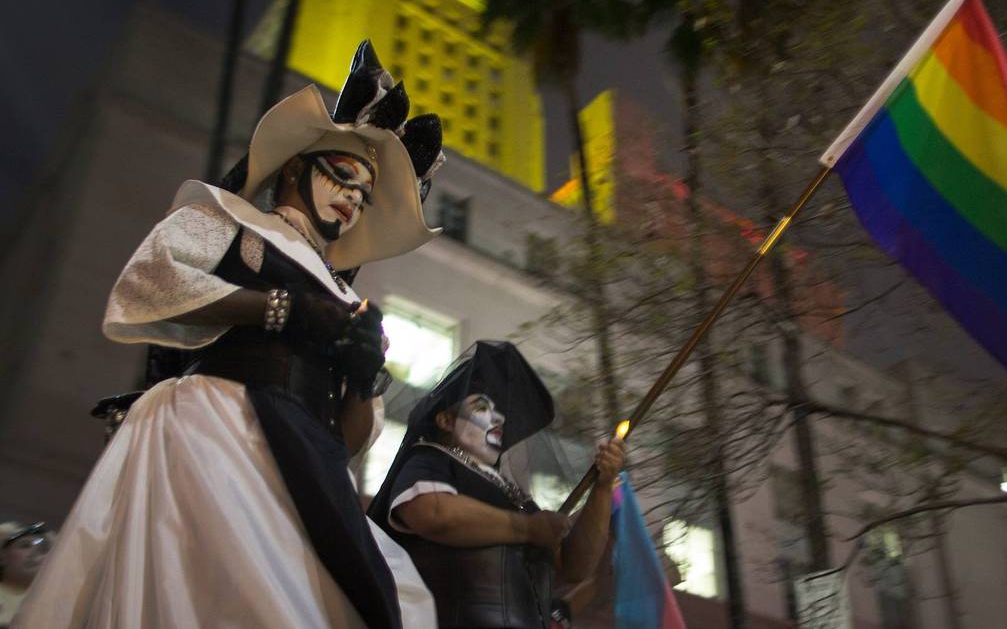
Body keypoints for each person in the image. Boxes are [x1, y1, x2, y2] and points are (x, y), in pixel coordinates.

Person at [15, 41, 444, 629]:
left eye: (364, 195)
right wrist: (280, 309)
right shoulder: (231, 221)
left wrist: (364, 376)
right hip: (215, 436)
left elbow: (347, 440)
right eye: (344, 176)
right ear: (296, 167)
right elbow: (152, 279)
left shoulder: (347, 297)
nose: (352, 198)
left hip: (311, 470)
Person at [368, 341, 625, 629]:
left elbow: (575, 567)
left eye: (499, 410)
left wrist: (602, 488)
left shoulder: (516, 499)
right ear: (445, 420)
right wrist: (526, 529)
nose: (499, 416)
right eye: (481, 406)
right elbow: (431, 513)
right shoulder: (430, 458)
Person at [0, 523, 52, 628]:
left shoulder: (52, 603)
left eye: (44, 549)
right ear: (2, 557)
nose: (36, 552)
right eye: (25, 545)